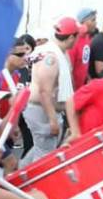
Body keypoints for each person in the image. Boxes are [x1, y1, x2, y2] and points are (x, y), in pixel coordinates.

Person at [23, 20, 75, 158]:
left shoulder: (58, 53)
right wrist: (52, 119)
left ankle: (20, 169)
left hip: (44, 109)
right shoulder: (51, 57)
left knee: (40, 148)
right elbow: (44, 91)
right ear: (71, 37)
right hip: (42, 110)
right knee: (45, 152)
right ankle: (27, 172)